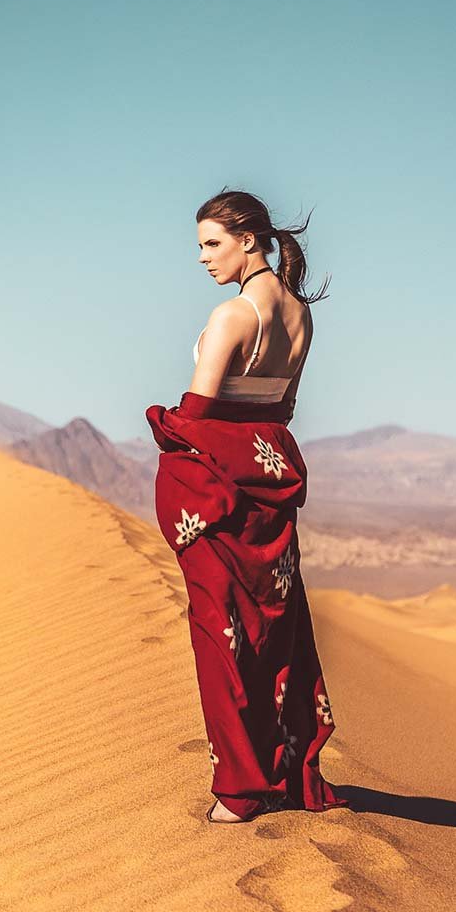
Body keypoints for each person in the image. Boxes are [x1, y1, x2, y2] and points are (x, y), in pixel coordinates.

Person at [145, 188, 349, 825]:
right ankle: (280, 772)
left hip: (222, 505)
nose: (203, 258)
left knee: (222, 640)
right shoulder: (299, 316)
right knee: (270, 637)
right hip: (270, 496)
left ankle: (237, 792)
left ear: (249, 240)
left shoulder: (235, 315)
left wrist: (161, 421)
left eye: (212, 243)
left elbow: (199, 419)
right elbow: (278, 412)